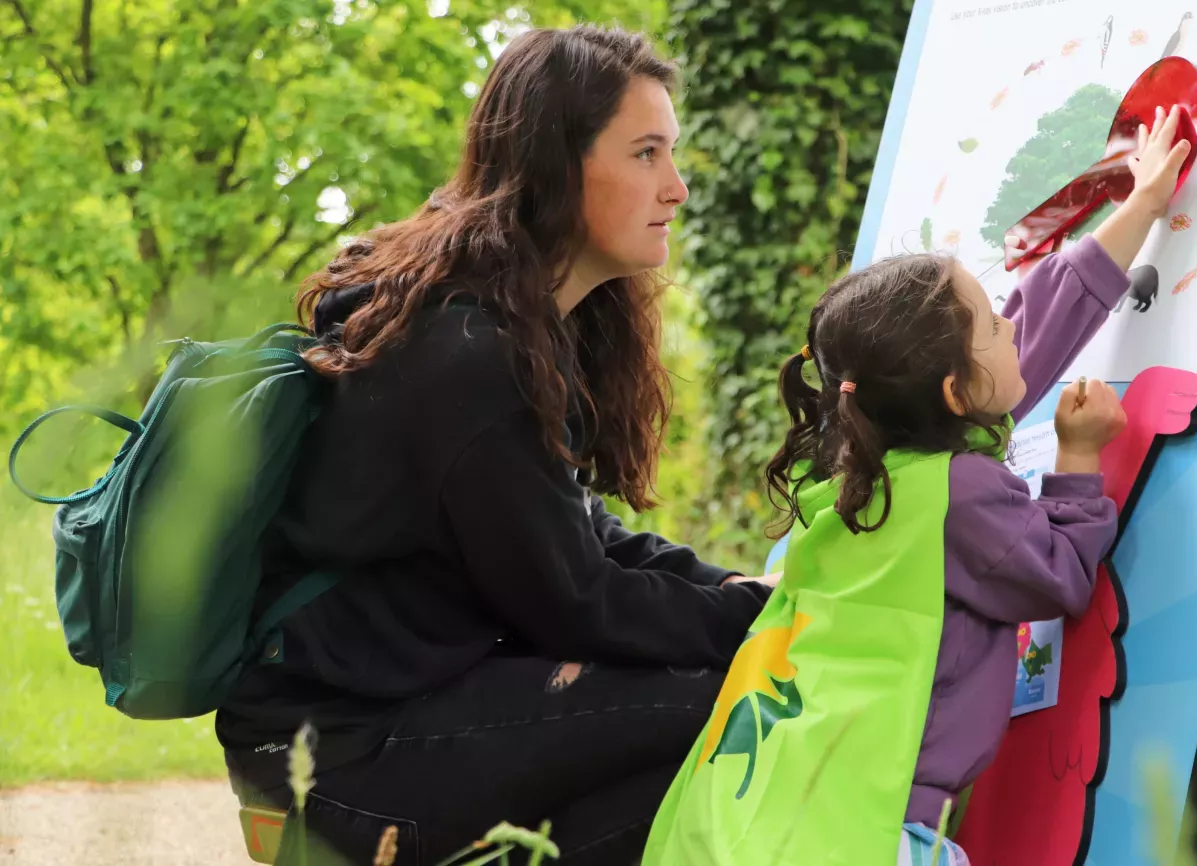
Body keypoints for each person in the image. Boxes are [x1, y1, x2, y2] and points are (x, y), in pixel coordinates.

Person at [216, 25, 777, 866]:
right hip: (334, 755)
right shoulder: (470, 354)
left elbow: (581, 536)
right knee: (720, 705)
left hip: (405, 707)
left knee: (682, 755)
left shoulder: (517, 323)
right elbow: (574, 599)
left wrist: (739, 590)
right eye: (647, 153)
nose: (679, 187)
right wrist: (753, 621)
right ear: (557, 164)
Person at [642, 108, 1193, 865]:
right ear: (955, 392)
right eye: (990, 326)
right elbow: (1060, 576)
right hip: (868, 832)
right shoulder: (957, 495)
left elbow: (1025, 337)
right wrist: (1076, 457)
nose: (1008, 325)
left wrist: (1139, 212)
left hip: (765, 811)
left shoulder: (851, 464)